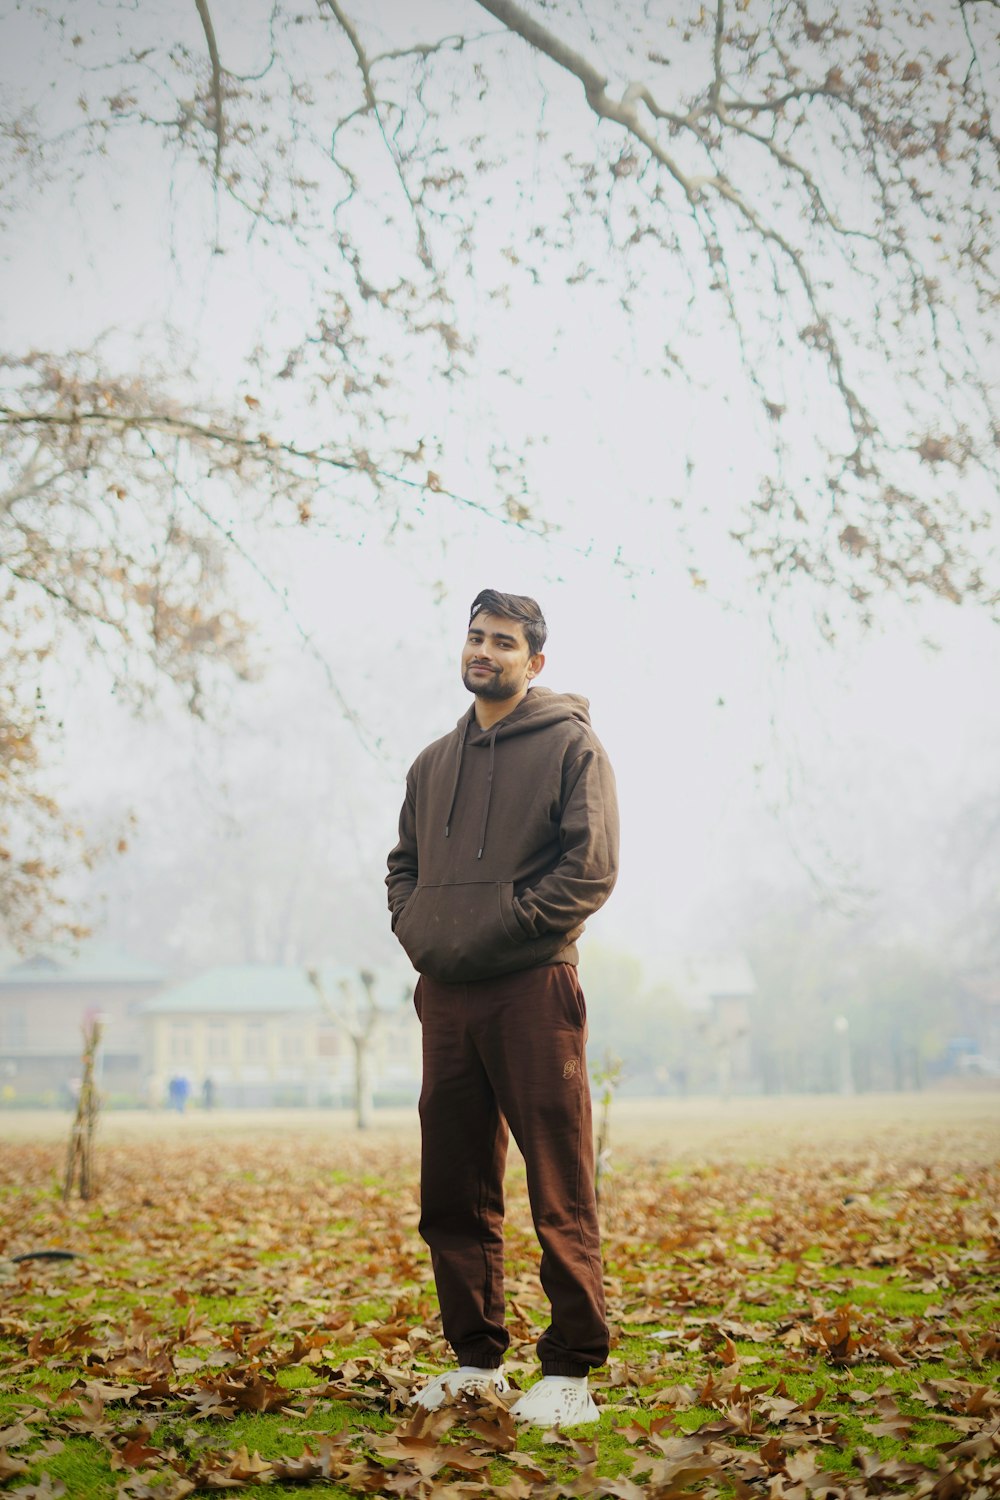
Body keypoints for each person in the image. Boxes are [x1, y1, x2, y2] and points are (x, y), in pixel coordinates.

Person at [386, 588, 619, 1426]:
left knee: (556, 1178)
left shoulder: (570, 748)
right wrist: (423, 934)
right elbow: (402, 868)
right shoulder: (430, 763)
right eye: (476, 637)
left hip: (532, 990)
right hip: (446, 997)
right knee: (452, 1183)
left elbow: (588, 870)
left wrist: (502, 930)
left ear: (535, 661)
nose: (484, 651)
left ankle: (570, 1371)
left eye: (504, 642)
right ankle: (476, 1358)